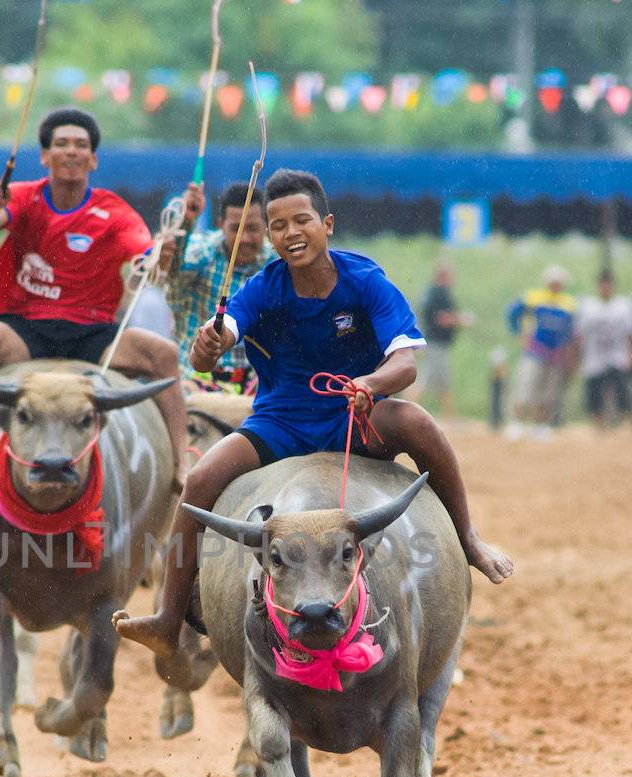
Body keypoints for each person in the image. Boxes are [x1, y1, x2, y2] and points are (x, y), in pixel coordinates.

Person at [113, 168, 513, 659]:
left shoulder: (364, 280)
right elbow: (219, 340)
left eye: (301, 221)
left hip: (352, 413)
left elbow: (404, 362)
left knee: (416, 423)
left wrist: (371, 384)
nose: (290, 234)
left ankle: (468, 540)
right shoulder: (266, 285)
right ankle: (168, 617)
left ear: (327, 224)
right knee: (199, 482)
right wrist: (208, 345)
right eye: (277, 226)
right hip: (280, 421)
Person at [0, 107, 189, 501]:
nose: (71, 151)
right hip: (29, 325)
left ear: (93, 159)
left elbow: (142, 253)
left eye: (81, 145)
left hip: (93, 330)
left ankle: (181, 462)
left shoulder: (112, 210)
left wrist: (157, 256)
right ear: (45, 156)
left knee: (163, 354)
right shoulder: (25, 195)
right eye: (61, 144)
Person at [163, 181, 273, 395]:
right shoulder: (202, 253)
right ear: (221, 224)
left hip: (255, 383)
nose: (244, 239)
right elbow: (173, 268)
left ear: (266, 228)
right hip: (197, 380)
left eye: (252, 229)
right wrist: (186, 221)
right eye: (235, 229)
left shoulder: (275, 265)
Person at [505, 265, 575, 440]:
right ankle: (517, 422)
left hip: (555, 355)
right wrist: (519, 334)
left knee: (548, 394)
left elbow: (570, 330)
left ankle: (540, 425)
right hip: (535, 352)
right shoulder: (534, 298)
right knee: (525, 387)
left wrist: (567, 351)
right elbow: (512, 312)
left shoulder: (568, 303)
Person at [575, 269, 632, 432]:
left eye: (608, 285)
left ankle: (628, 421)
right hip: (593, 356)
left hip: (618, 355)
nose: (605, 288)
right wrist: (578, 355)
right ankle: (598, 423)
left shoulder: (623, 306)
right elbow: (580, 334)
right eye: (602, 285)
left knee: (622, 389)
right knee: (594, 391)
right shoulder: (588, 307)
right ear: (598, 286)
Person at [415, 261, 470, 417]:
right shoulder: (438, 293)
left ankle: (450, 415)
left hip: (435, 343)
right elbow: (441, 318)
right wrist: (461, 320)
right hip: (436, 343)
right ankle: (404, 409)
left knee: (443, 382)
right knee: (427, 381)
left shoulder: (431, 292)